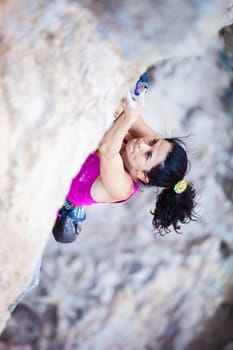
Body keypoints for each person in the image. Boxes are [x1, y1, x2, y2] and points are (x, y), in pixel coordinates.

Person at [52, 88, 196, 243]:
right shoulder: (147, 143)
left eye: (148, 155)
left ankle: (70, 214)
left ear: (143, 175)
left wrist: (128, 115)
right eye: (154, 142)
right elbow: (125, 110)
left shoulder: (125, 188)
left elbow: (107, 151)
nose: (143, 144)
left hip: (59, 192)